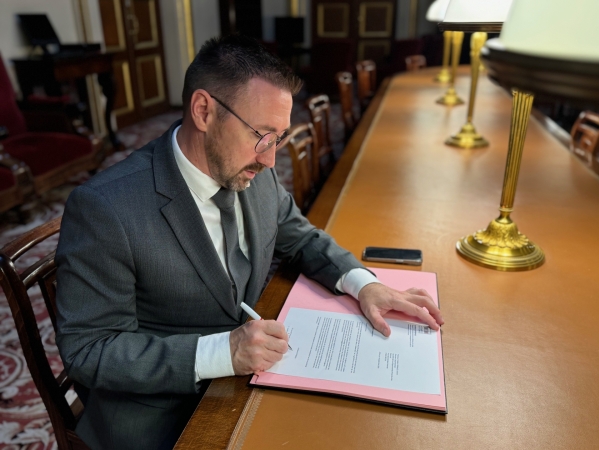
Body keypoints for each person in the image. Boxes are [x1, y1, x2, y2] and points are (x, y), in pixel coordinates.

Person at [55, 35, 444, 450]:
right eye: (262, 135)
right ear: (204, 110)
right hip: (160, 417)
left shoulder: (252, 170)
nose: (271, 158)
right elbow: (89, 349)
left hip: (250, 384)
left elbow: (302, 238)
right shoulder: (106, 209)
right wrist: (223, 352)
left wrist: (364, 284)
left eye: (279, 138)